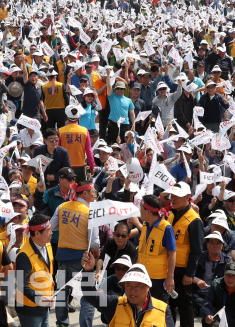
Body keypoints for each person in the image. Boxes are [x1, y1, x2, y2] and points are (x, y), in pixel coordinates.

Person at [51, 179, 99, 327]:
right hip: (83, 260)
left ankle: (61, 323)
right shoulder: (91, 212)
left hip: (63, 256)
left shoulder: (62, 207)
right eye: (93, 191)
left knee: (62, 293)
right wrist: (96, 254)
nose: (95, 194)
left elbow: (51, 227)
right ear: (85, 193)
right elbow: (96, 243)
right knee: (88, 295)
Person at [81, 255, 175, 327]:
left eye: (137, 286)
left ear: (148, 287)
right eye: (128, 285)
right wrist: (88, 271)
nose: (132, 290)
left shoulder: (163, 309)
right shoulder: (114, 304)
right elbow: (90, 294)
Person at [165, 182, 204, 327]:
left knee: (185, 306)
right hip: (169, 268)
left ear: (188, 198)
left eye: (177, 196)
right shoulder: (172, 214)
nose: (173, 198)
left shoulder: (194, 220)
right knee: (169, 305)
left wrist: (190, 274)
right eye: (172, 195)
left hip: (183, 272)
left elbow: (197, 249)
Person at [136, 194, 177, 302]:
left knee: (158, 310)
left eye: (141, 208)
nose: (139, 210)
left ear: (148, 212)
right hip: (143, 275)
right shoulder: (145, 224)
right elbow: (142, 250)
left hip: (158, 279)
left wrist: (170, 277)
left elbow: (172, 253)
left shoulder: (166, 228)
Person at [192, 231, 232, 314]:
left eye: (218, 243)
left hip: (218, 294)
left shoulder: (227, 260)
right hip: (200, 294)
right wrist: (197, 280)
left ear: (222, 245)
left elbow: (232, 277)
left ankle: (207, 310)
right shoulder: (199, 257)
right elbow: (189, 274)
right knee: (193, 299)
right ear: (207, 245)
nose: (215, 245)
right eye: (212, 242)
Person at [58, 105, 95, 180]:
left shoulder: (60, 131)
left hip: (65, 166)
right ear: (78, 118)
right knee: (80, 189)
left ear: (67, 117)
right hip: (80, 166)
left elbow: (57, 151)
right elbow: (89, 151)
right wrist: (92, 166)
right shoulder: (84, 131)